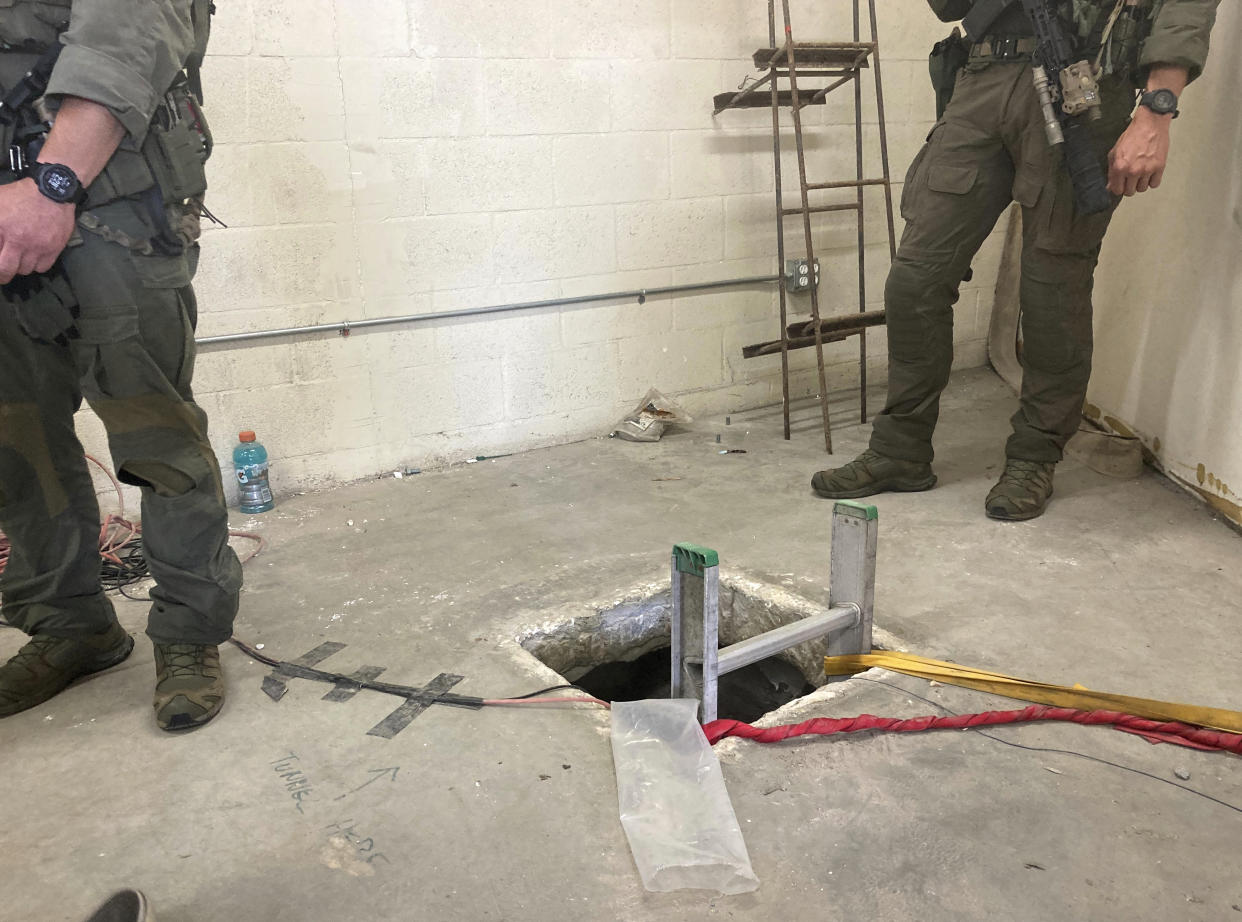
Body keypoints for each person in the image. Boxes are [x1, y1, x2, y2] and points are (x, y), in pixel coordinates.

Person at [811, 0, 1219, 520]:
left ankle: (1034, 457)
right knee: (915, 278)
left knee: (1052, 290)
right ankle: (899, 451)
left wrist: (1157, 108)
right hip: (983, 77)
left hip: (1083, 84)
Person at [0, 0, 240, 730]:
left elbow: (129, 29)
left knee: (155, 435)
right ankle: (71, 627)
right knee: (17, 438)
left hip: (108, 199)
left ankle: (189, 632)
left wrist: (52, 186)